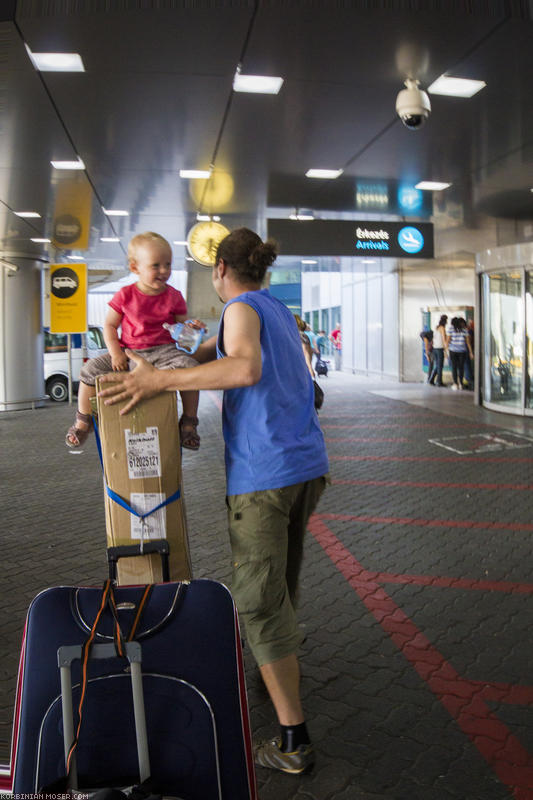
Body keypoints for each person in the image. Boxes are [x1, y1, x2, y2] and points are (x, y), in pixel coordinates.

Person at [99, 227, 329, 776]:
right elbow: (205, 356)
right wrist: (160, 366)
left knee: (258, 600)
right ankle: (274, 665)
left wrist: (156, 386)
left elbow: (242, 367)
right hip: (307, 469)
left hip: (265, 475)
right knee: (281, 582)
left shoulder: (241, 309)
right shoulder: (273, 306)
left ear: (221, 271)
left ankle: (292, 740)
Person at [65, 231, 205, 450]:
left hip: (165, 352)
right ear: (134, 268)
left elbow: (182, 330)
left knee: (190, 369)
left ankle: (189, 423)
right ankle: (83, 420)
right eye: (156, 266)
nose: (164, 271)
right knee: (89, 370)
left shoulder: (174, 296)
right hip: (130, 354)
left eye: (168, 264)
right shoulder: (125, 295)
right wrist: (116, 353)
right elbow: (110, 326)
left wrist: (192, 328)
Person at [446, 316, 474, 390]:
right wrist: (471, 352)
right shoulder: (464, 330)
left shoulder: (451, 329)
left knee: (454, 368)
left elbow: (448, 341)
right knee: (461, 368)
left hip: (453, 351)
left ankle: (455, 384)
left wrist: (445, 351)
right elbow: (468, 342)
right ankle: (461, 384)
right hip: (462, 351)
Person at [428, 314, 448, 386]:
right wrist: (446, 350)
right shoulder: (442, 328)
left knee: (437, 365)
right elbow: (444, 340)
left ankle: (431, 379)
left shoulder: (436, 327)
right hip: (439, 349)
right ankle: (439, 382)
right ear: (445, 321)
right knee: (440, 366)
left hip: (435, 348)